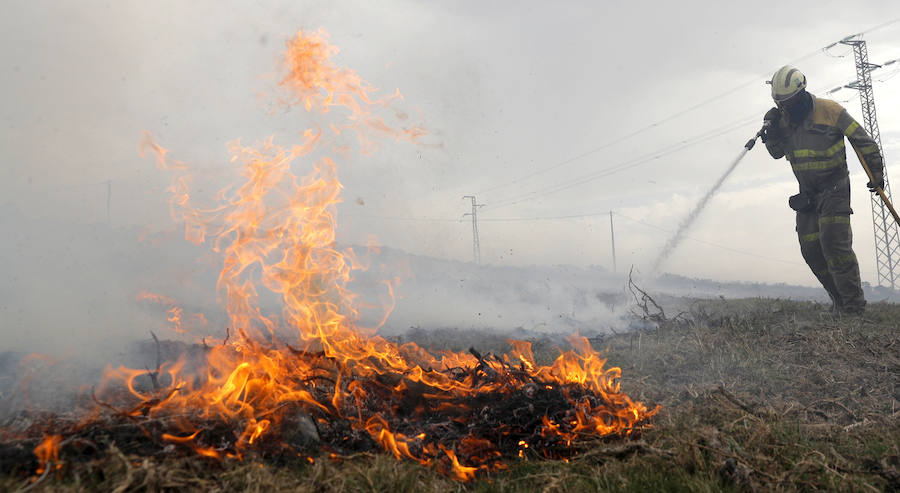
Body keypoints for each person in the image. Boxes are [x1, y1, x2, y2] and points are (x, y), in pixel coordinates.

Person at [761, 65, 884, 315]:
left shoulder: (830, 110)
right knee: (810, 249)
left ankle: (854, 308)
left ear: (802, 94)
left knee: (833, 244)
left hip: (835, 188)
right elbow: (776, 153)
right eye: (780, 103)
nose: (785, 108)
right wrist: (771, 133)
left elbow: (863, 141)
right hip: (807, 194)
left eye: (789, 102)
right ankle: (839, 302)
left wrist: (877, 173)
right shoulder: (783, 120)